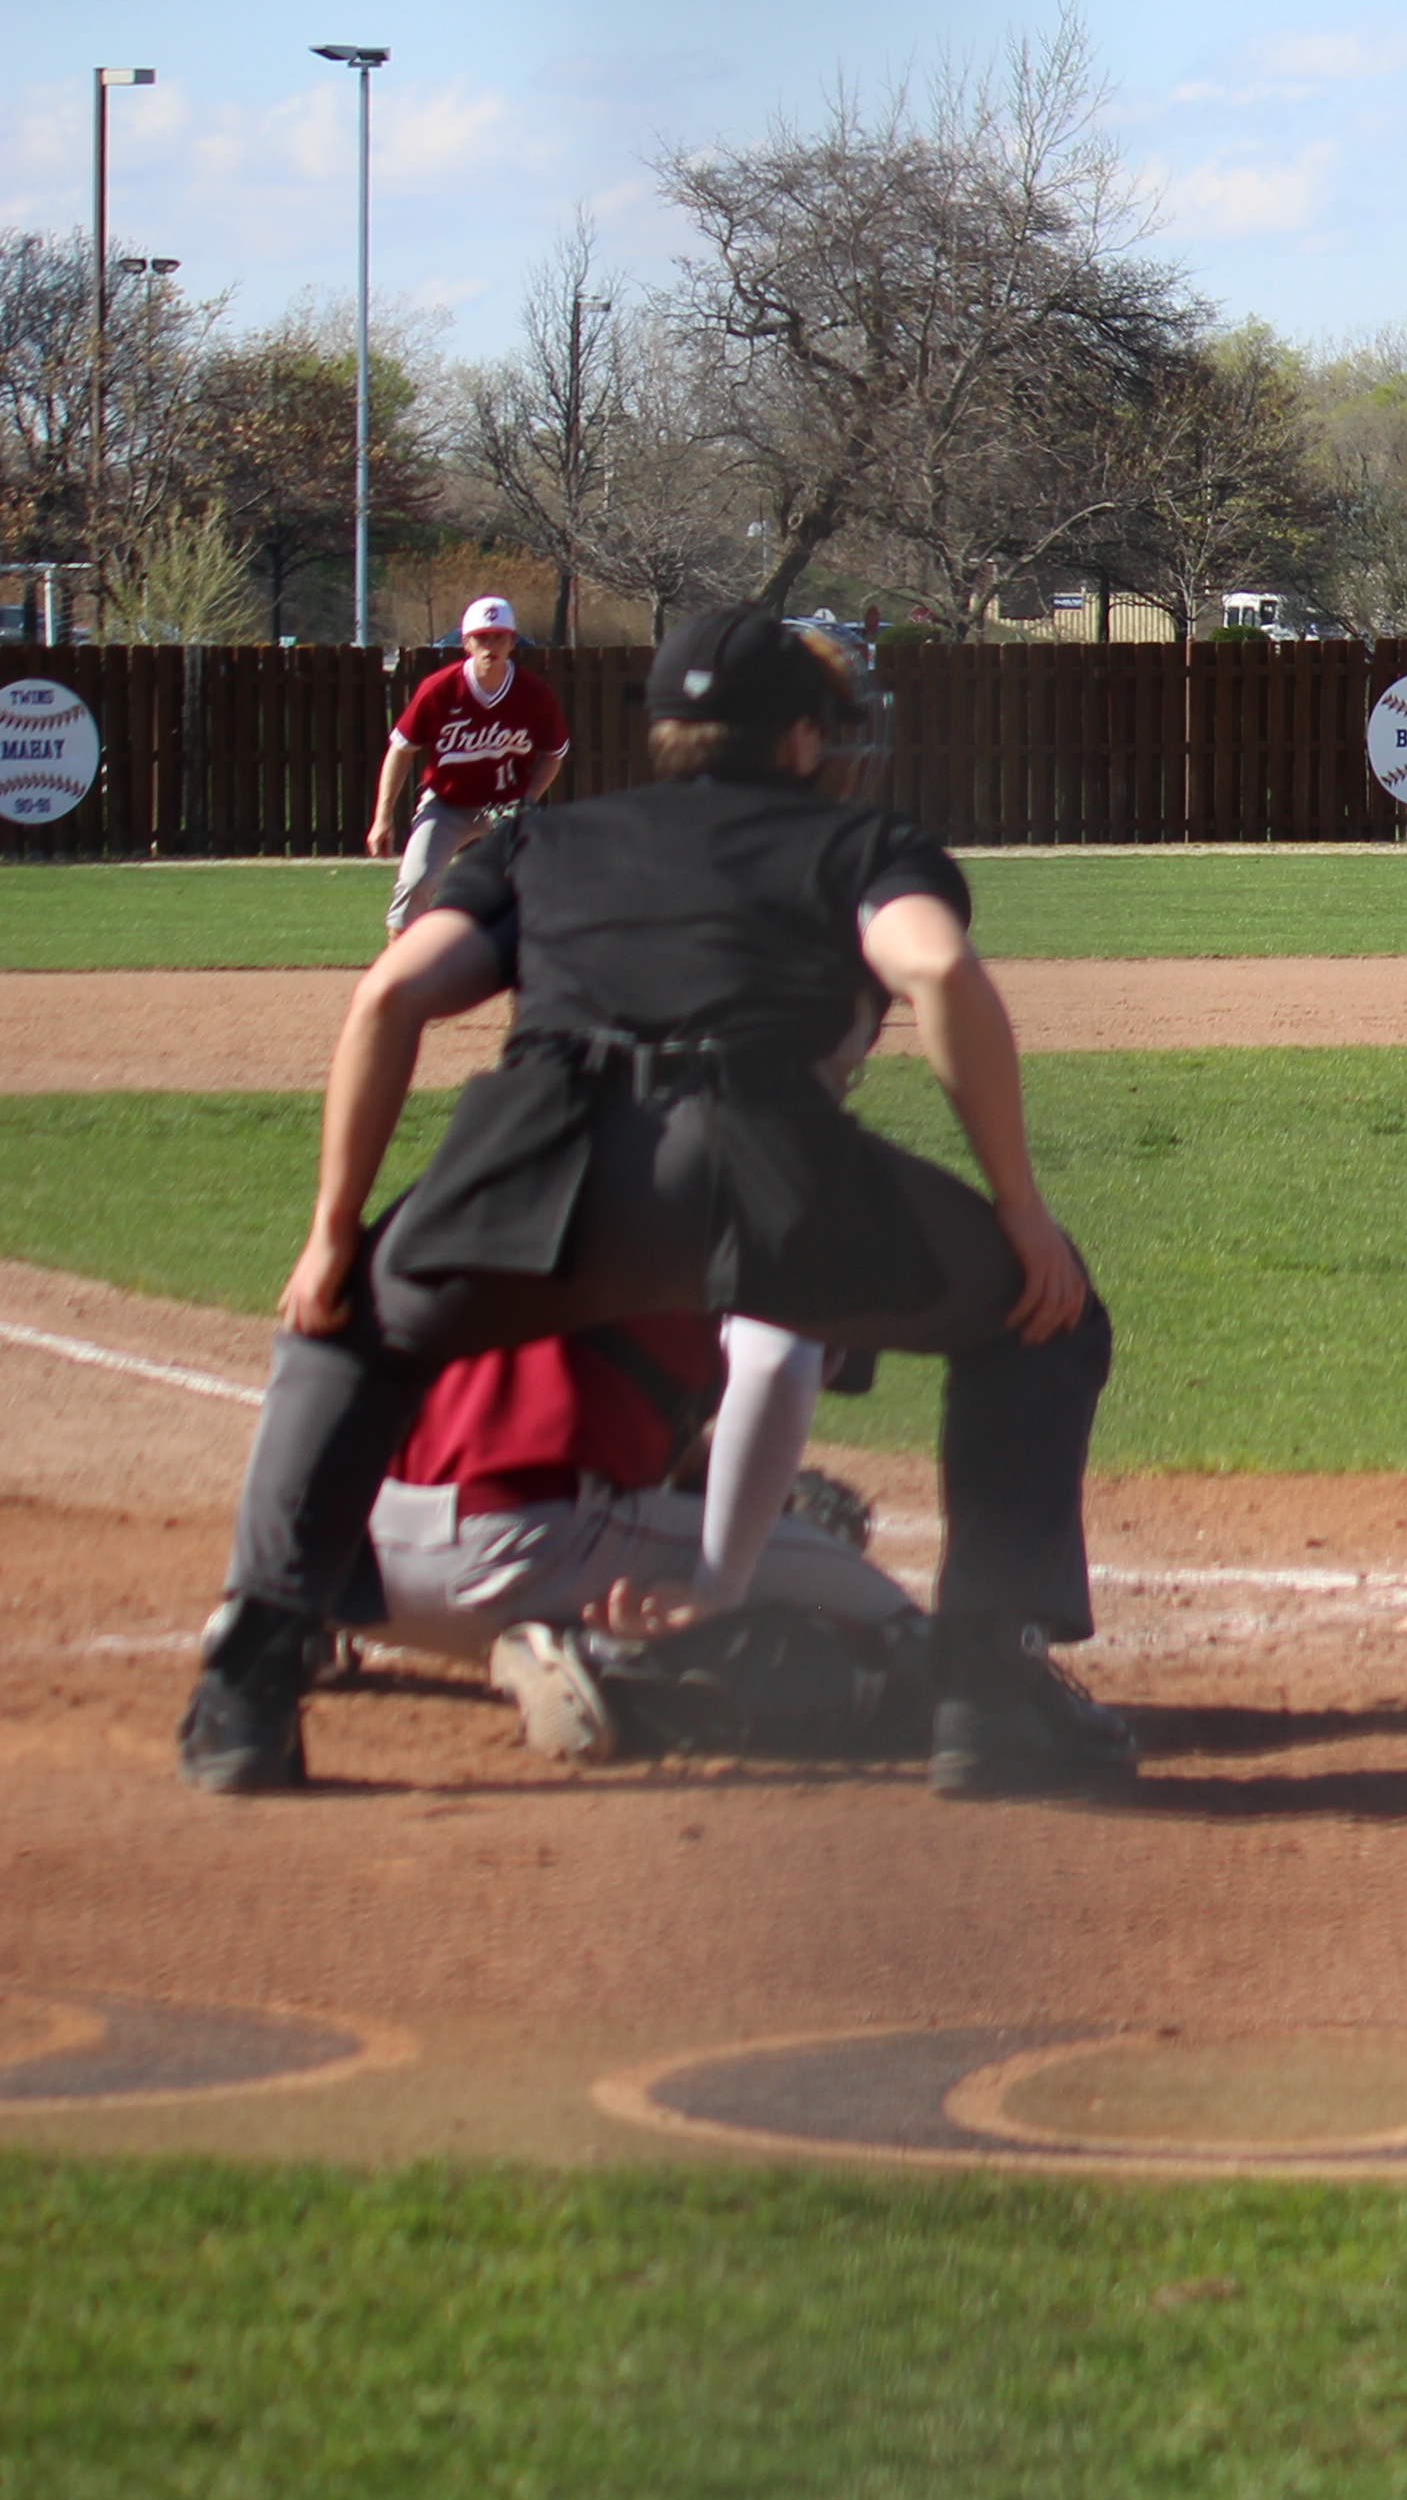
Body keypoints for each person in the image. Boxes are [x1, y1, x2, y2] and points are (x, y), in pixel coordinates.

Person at [176, 606, 1130, 1798]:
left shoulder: (543, 840)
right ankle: (992, 1693)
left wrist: (332, 1235)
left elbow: (390, 998)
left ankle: (251, 1684)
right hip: (765, 1162)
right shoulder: (861, 842)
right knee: (1045, 1316)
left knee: (345, 1332)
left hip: (536, 1161)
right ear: (800, 739)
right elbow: (934, 967)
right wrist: (1020, 1207)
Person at [358, 1310, 926, 1763]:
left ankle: (314, 1636)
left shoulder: (547, 1221)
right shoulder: (775, 1217)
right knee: (907, 1645)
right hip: (513, 1560)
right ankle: (609, 1664)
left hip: (355, 1566)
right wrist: (719, 1589)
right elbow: (776, 1364)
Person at [370, 595, 575, 933]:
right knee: (416, 881)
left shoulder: (534, 694)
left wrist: (529, 798)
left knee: (543, 885)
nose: (490, 646)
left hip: (507, 808)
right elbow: (401, 749)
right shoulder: (439, 689)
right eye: (481, 638)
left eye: (498, 637)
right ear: (466, 643)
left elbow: (554, 752)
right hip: (447, 805)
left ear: (512, 642)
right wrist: (382, 818)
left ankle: (539, 963)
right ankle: (402, 959)